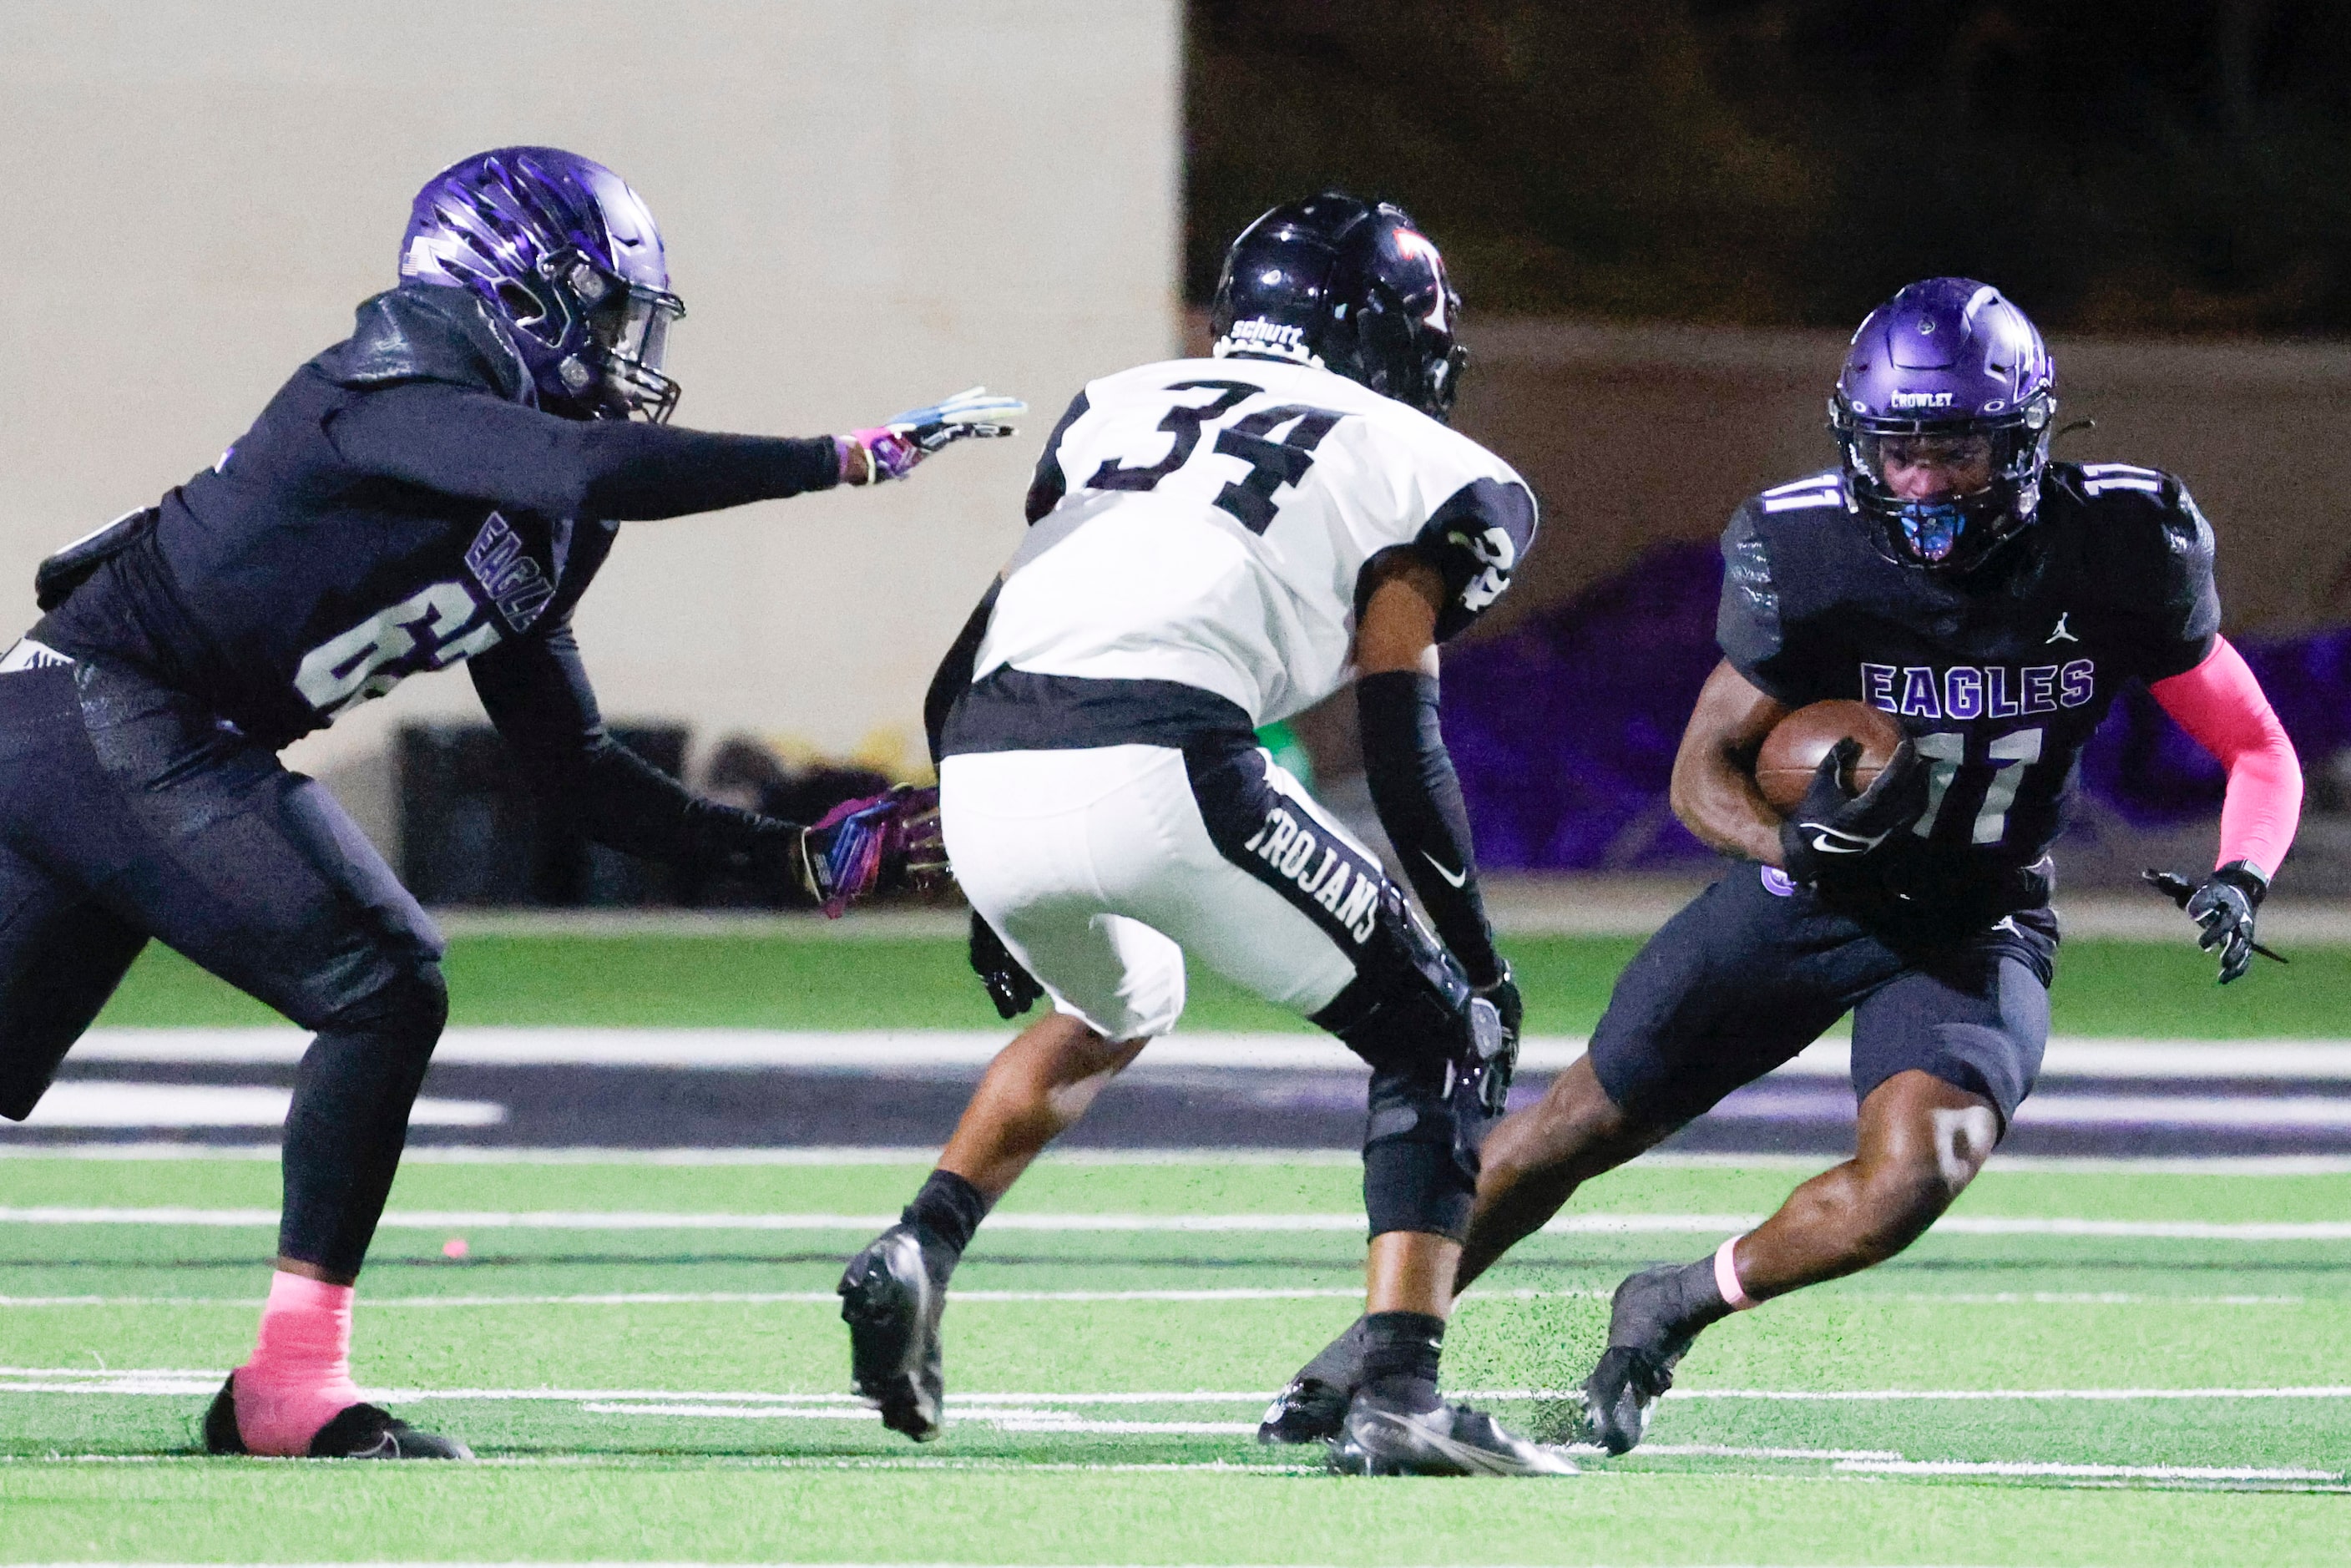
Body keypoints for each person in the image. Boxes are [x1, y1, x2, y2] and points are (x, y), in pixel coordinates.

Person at [0, 146, 1014, 1459]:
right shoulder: (389, 376)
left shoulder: (531, 509)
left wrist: (795, 860)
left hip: (117, 732)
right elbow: (582, 469)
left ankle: (281, 1386)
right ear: (515, 293)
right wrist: (843, 458)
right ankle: (288, 1384)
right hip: (100, 707)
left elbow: (573, 771)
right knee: (383, 976)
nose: (625, 355)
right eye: (605, 317)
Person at [1257, 276, 2303, 1456]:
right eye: (1898, 449)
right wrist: (1789, 839)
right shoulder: (1808, 547)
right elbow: (1703, 770)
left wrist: (2242, 869)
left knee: (1914, 1177)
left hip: (1977, 914)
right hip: (1810, 894)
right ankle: (1373, 1345)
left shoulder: (2123, 545)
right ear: (1857, 441)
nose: (1922, 482)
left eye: (1955, 449)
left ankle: (1673, 1301)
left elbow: (2257, 745)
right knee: (1576, 1123)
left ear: (2023, 441)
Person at [837, 195, 1570, 1477]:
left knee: (1124, 996)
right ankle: (1401, 1392)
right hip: (1164, 752)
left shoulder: (1118, 401)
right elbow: (1402, 733)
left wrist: (978, 879)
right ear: (1378, 332)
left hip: (991, 760)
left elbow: (978, 643)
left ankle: (922, 1237)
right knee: (1443, 1032)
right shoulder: (1419, 458)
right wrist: (1473, 953)